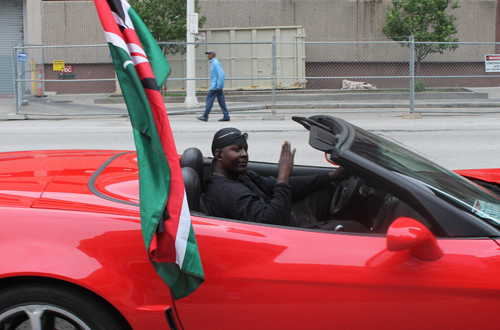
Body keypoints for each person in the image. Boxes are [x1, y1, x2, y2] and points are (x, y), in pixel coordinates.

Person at [203, 127, 346, 226]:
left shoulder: (241, 177)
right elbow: (272, 223)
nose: (244, 154)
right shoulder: (226, 192)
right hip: (284, 233)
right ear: (219, 155)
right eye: (237, 150)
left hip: (285, 217)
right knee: (353, 227)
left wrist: (332, 176)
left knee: (327, 190)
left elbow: (284, 186)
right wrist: (283, 175)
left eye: (245, 149)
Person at [197, 50, 231, 122]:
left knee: (209, 100)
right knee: (221, 101)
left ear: (213, 55)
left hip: (215, 86)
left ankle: (205, 116)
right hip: (217, 86)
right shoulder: (214, 63)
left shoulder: (215, 63)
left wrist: (219, 85)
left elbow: (221, 74)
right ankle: (226, 116)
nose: (208, 56)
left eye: (209, 54)